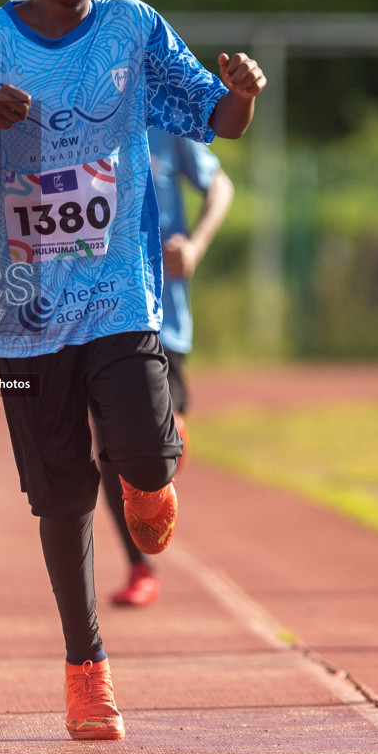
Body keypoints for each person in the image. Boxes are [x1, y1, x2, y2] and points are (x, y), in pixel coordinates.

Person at [0, 0, 264, 740]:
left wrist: (243, 93)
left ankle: (149, 480)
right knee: (61, 500)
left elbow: (218, 118)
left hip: (120, 292)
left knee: (144, 444)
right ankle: (86, 669)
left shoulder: (134, 31)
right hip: (23, 309)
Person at [102, 134, 234, 607]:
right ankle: (141, 565)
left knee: (153, 440)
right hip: (95, 314)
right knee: (108, 450)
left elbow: (220, 184)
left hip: (162, 319)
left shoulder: (167, 116)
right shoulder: (71, 108)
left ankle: (167, 435)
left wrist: (195, 246)